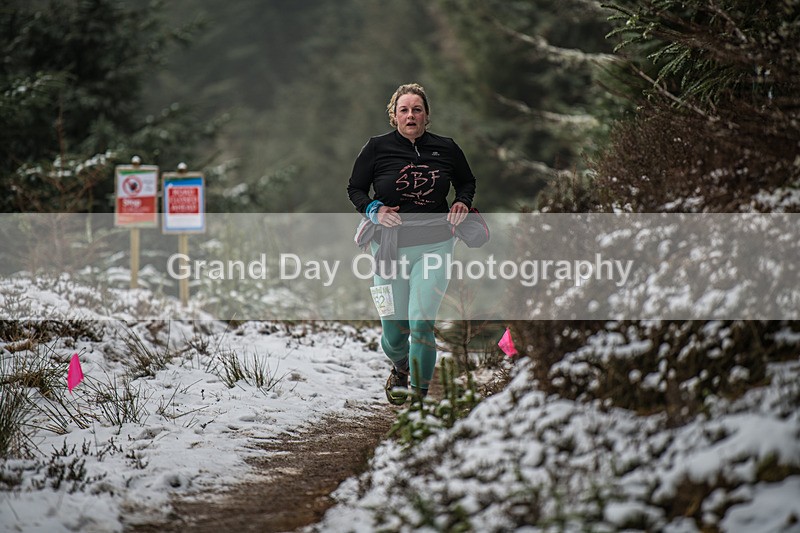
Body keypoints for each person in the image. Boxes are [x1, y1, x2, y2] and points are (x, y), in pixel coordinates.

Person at [347, 83, 477, 405]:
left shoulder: (446, 148)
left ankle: (418, 398)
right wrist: (373, 210)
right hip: (388, 249)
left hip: (436, 244)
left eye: (416, 109)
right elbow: (355, 189)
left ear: (426, 115)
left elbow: (467, 180)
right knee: (393, 332)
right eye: (403, 110)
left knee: (421, 323)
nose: (410, 115)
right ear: (394, 116)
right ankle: (400, 366)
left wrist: (461, 201)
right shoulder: (376, 148)